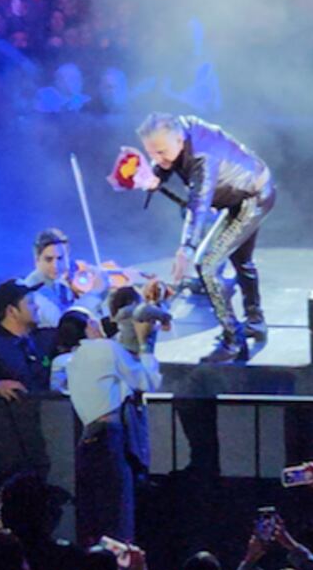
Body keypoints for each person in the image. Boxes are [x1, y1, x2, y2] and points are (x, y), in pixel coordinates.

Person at [137, 112, 275, 363]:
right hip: (245, 189)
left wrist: (186, 248)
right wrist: (157, 175)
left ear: (179, 140)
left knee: (207, 266)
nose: (156, 158)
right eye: (151, 154)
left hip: (252, 197)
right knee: (241, 261)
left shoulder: (202, 157)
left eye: (160, 152)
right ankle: (256, 321)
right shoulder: (181, 129)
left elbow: (199, 204)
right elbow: (171, 165)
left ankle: (233, 340)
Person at [58, 307, 161, 542]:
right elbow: (147, 380)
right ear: (88, 327)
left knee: (93, 524)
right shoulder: (104, 349)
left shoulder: (75, 361)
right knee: (118, 523)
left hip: (87, 442)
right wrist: (147, 344)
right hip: (109, 442)